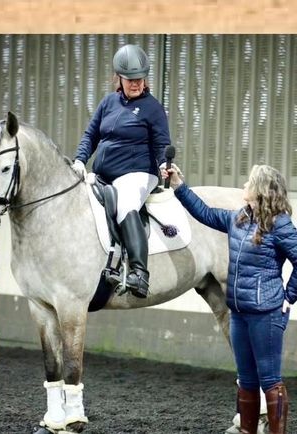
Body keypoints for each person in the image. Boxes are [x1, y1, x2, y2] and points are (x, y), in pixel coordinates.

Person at [164, 163, 297, 434]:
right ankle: (247, 430)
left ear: (260, 190)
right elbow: (204, 213)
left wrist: (290, 296)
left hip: (266, 314)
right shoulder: (239, 218)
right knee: (246, 379)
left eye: (249, 183)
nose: (244, 187)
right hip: (238, 312)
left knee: (270, 380)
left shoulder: (280, 224)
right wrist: (179, 185)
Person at [71, 44, 171, 298]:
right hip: (103, 174)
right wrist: (80, 161)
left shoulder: (153, 108)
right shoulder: (108, 102)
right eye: (130, 80)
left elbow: (161, 145)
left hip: (137, 174)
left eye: (139, 79)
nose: (136, 84)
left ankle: (139, 274)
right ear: (119, 78)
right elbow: (90, 135)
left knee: (126, 203)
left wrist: (163, 165)